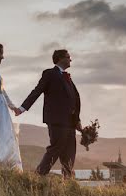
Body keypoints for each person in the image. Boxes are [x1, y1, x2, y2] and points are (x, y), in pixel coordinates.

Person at [17, 49, 81, 179]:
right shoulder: (50, 74)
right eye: (68, 57)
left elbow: (74, 99)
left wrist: (77, 120)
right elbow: (37, 91)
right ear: (60, 59)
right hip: (57, 121)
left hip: (70, 123)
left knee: (69, 154)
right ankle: (38, 176)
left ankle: (68, 182)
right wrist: (22, 108)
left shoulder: (67, 77)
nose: (70, 59)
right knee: (55, 149)